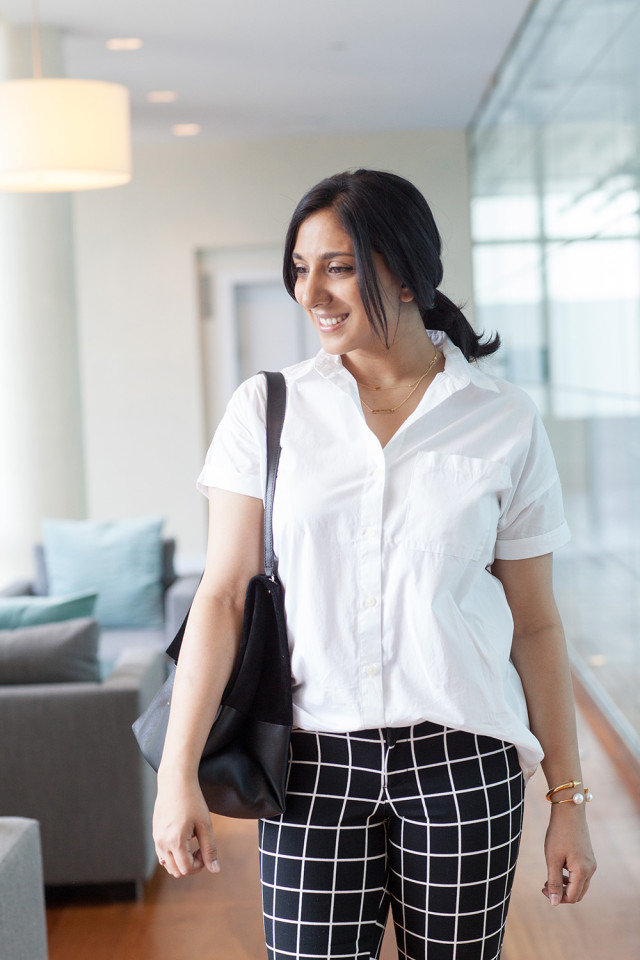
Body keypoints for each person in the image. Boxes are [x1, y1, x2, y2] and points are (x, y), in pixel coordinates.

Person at [153, 169, 596, 960]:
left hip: (464, 764)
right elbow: (220, 599)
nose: (311, 292)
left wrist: (569, 799)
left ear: (404, 270)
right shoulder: (267, 408)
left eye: (338, 265)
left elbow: (535, 623)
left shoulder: (502, 421)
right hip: (313, 763)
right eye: (299, 267)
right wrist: (175, 773)